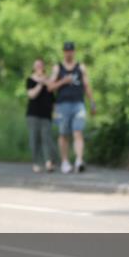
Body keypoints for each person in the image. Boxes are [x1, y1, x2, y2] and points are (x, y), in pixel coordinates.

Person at [48, 42, 96, 173]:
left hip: (78, 103)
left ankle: (79, 160)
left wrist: (92, 102)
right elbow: (50, 87)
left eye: (71, 51)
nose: (69, 53)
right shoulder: (57, 68)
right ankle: (64, 162)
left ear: (74, 52)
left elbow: (86, 85)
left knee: (78, 131)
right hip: (62, 105)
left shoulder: (81, 67)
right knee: (63, 133)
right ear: (63, 52)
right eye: (66, 51)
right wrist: (63, 81)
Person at [25, 59, 57, 173]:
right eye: (36, 65)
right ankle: (36, 163)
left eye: (40, 65)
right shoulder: (30, 80)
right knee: (34, 138)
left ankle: (49, 162)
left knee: (47, 138)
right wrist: (40, 83)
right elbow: (31, 95)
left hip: (46, 115)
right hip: (33, 114)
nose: (39, 67)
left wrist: (48, 79)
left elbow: (52, 93)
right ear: (34, 67)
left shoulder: (48, 81)